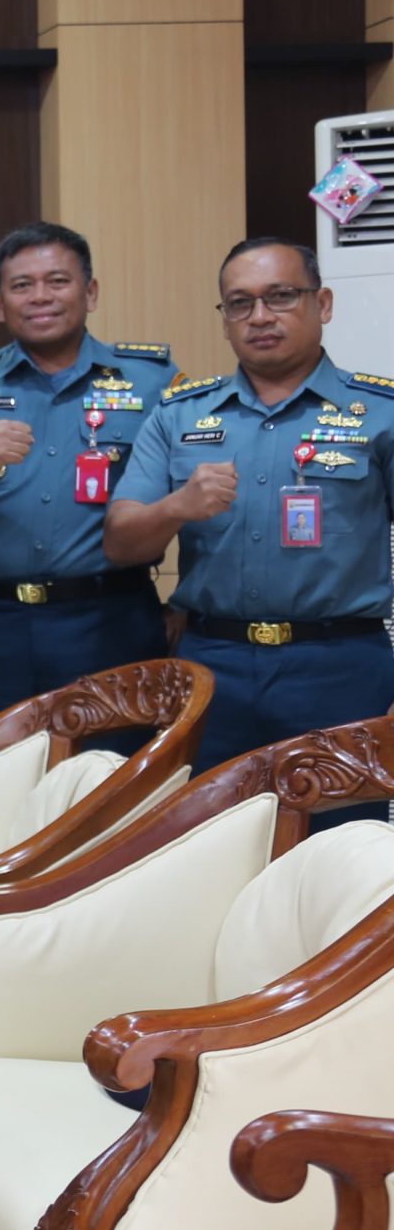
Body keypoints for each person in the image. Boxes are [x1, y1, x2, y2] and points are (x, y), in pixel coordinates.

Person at [106, 237, 394, 826]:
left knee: (339, 856)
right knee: (212, 845)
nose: (259, 317)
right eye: (239, 303)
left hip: (340, 665)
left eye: (281, 297)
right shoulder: (182, 414)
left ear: (324, 304)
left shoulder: (381, 412)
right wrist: (177, 507)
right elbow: (121, 541)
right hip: (216, 665)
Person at [0, 223, 175, 732]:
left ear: (90, 292)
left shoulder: (152, 381)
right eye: (21, 285)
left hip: (112, 619)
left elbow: (191, 498)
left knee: (112, 785)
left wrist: (186, 604)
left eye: (57, 281)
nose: (40, 297)